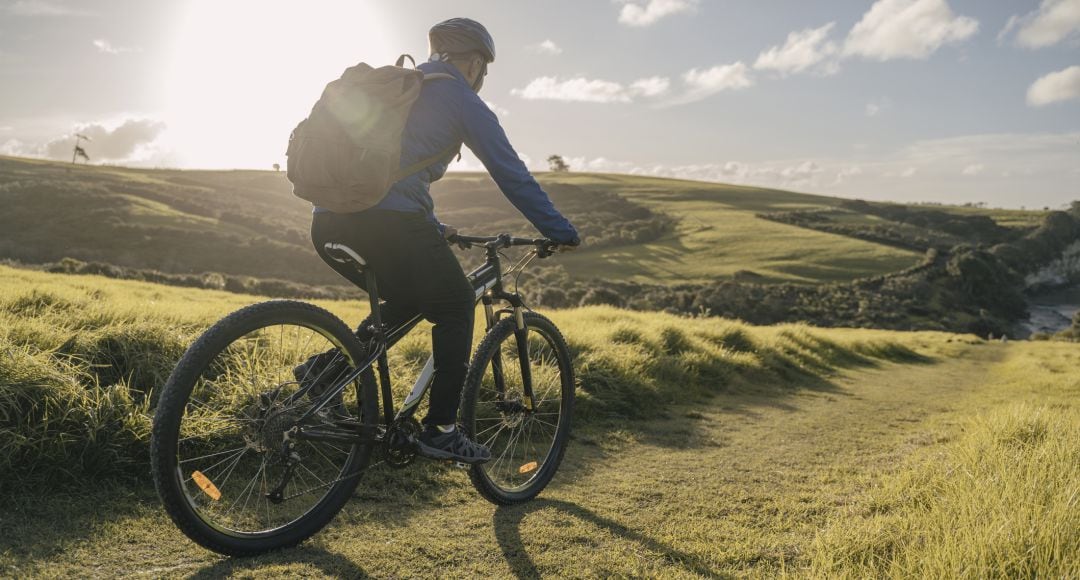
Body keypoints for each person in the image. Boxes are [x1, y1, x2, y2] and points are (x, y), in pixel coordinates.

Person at [300, 18, 580, 464]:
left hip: (328, 221)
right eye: (483, 70)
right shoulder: (460, 99)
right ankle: (442, 430)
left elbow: (391, 175)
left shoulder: (401, 88)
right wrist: (559, 229)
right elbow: (511, 173)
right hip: (387, 225)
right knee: (452, 304)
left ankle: (323, 371)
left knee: (416, 297)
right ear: (474, 64)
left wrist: (433, 227)